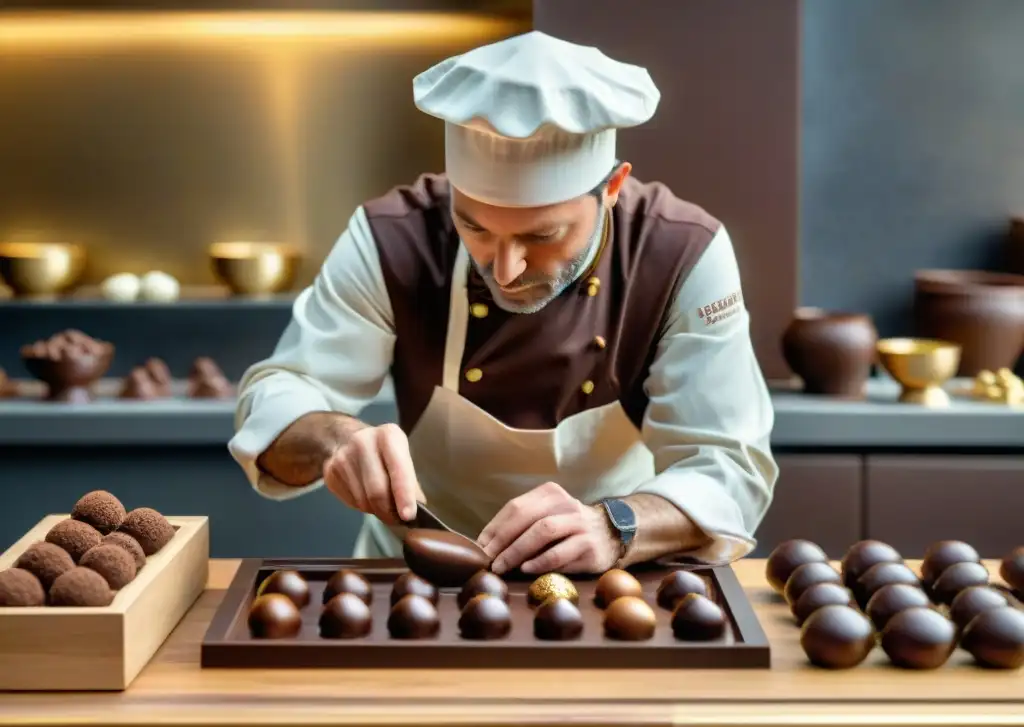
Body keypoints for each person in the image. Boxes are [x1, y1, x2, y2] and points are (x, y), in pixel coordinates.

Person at [229, 31, 778, 575]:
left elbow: (729, 467)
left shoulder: (681, 252)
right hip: (411, 577)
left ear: (611, 187)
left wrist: (617, 525)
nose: (505, 270)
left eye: (543, 237)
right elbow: (277, 397)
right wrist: (336, 439)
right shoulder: (390, 238)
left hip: (607, 582)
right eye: (474, 227)